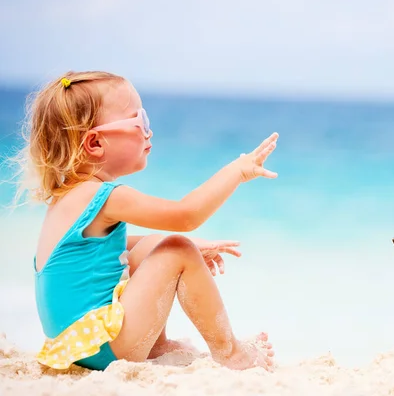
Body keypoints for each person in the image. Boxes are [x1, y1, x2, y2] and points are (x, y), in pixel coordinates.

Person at [15, 71, 278, 372]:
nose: (149, 132)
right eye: (139, 122)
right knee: (175, 247)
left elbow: (102, 253)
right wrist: (238, 171)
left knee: (158, 246)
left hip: (76, 345)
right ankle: (232, 353)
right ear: (95, 143)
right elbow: (185, 215)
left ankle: (157, 345)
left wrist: (191, 246)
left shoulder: (71, 195)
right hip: (103, 347)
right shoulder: (106, 195)